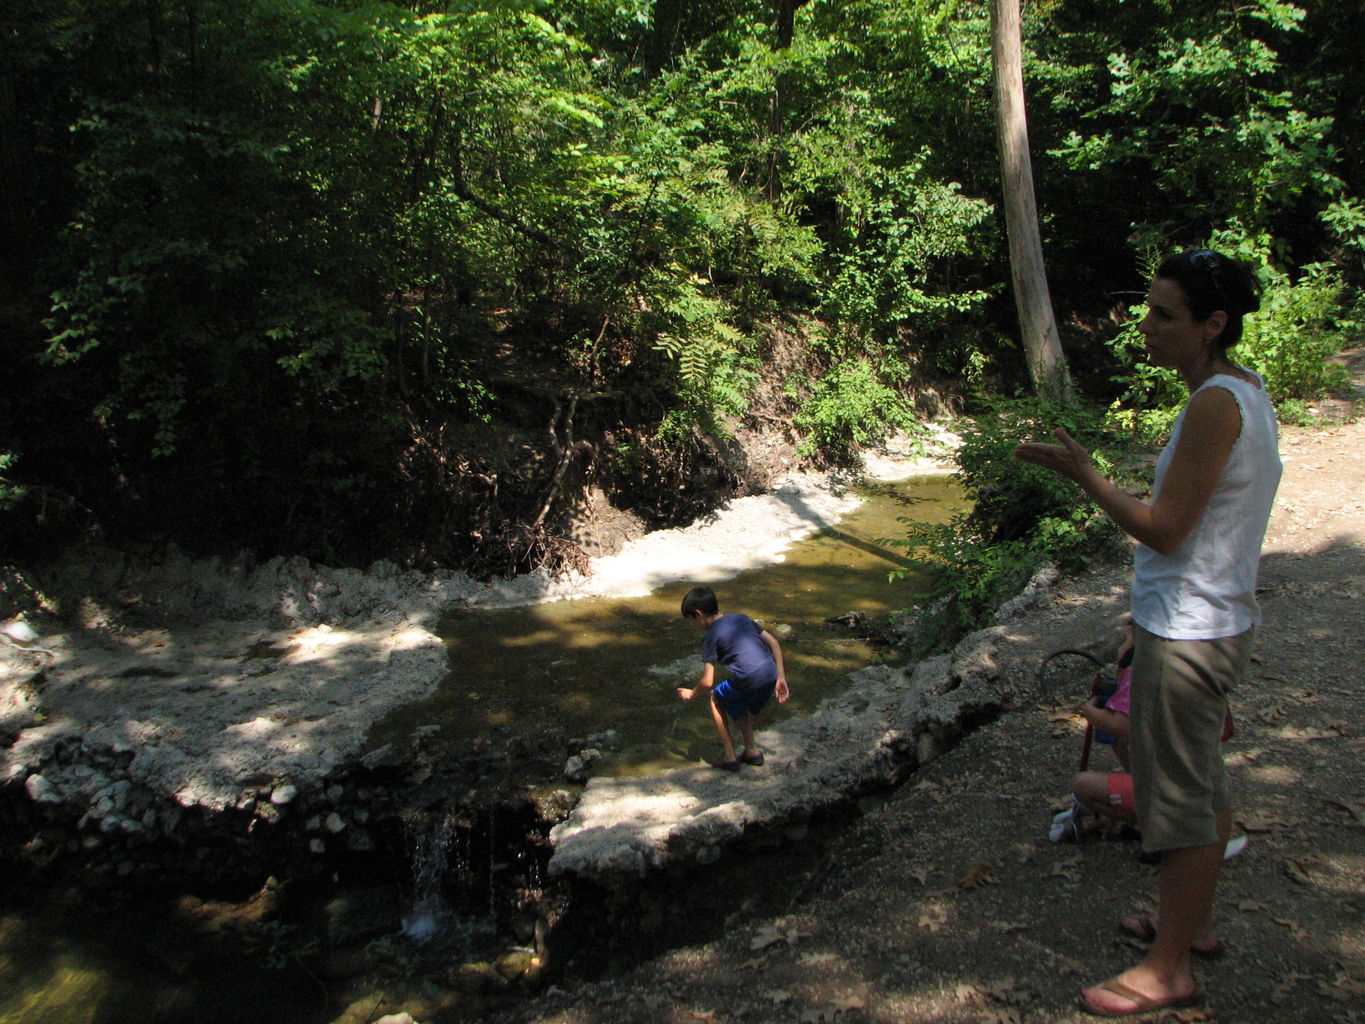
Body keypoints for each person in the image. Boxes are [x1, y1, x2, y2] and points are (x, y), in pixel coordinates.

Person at [1014, 248, 1280, 1016]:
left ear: (1212, 324)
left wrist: (1085, 475)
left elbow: (1164, 530)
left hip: (1192, 632)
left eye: (1166, 314)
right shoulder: (1241, 391)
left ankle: (1168, 970)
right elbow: (1203, 527)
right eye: (1148, 309)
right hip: (1202, 618)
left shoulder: (1212, 404)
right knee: (1202, 780)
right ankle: (1186, 928)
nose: (1147, 327)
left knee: (1181, 798)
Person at [677, 586, 790, 770]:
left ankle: (729, 756)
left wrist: (691, 693)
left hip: (749, 677)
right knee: (737, 700)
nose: (694, 626)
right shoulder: (741, 618)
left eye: (692, 621)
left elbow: (707, 682)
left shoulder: (711, 635)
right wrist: (781, 677)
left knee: (715, 697)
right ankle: (752, 751)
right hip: (770, 673)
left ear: (698, 614)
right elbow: (774, 643)